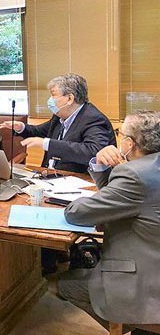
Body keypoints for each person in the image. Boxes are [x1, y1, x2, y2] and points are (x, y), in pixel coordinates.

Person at [57, 111, 160, 335]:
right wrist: (99, 163)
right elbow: (119, 199)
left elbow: (77, 213)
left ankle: (128, 323)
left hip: (146, 279)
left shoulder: (134, 174)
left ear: (129, 143)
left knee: (65, 286)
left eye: (119, 133)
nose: (118, 138)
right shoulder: (151, 167)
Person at [0, 73, 115, 173]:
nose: (50, 100)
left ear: (70, 98)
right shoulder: (60, 116)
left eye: (53, 95)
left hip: (80, 182)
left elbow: (93, 152)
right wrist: (21, 127)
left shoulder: (93, 119)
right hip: (50, 177)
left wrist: (47, 144)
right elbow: (39, 132)